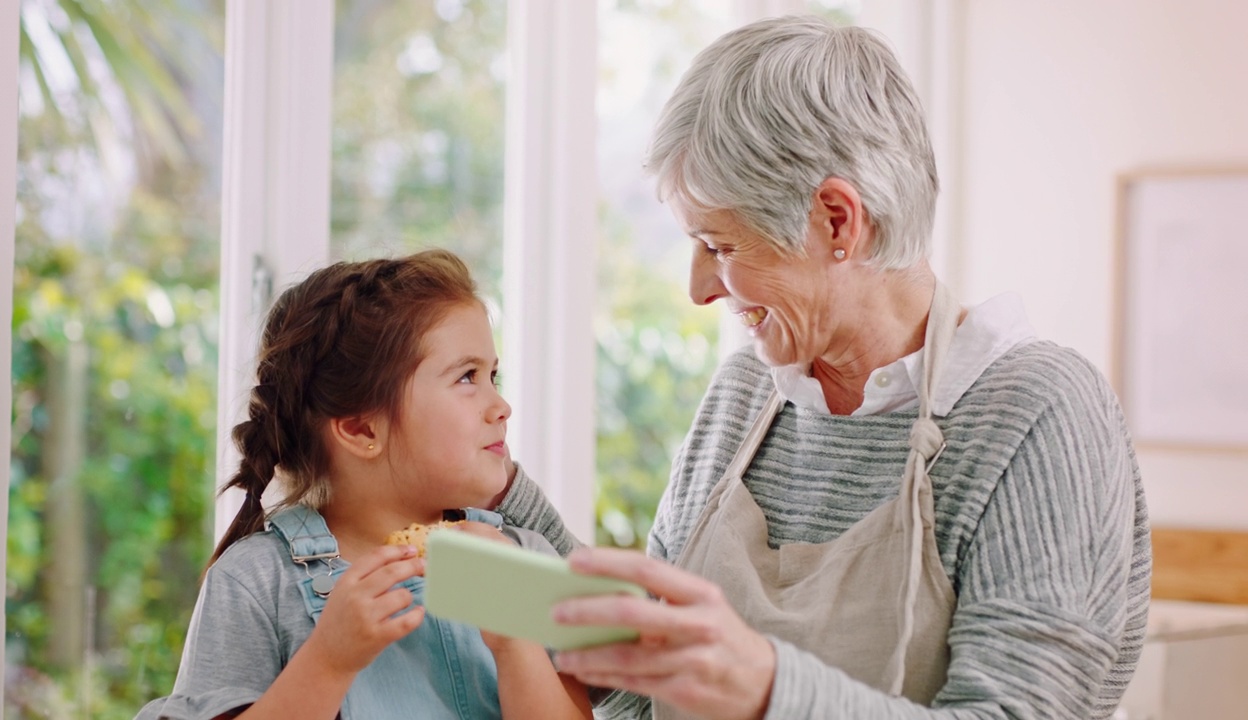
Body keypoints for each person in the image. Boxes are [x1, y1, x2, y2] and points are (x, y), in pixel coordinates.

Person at [493, 15, 1150, 720]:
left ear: (837, 220)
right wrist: (503, 500)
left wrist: (768, 688)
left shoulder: (1038, 413)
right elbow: (646, 679)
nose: (699, 289)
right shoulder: (746, 394)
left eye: (719, 245)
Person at [137, 250, 591, 720]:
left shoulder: (526, 559)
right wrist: (329, 661)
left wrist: (515, 639)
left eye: (492, 375)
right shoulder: (257, 583)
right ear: (362, 430)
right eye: (467, 377)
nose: (501, 406)